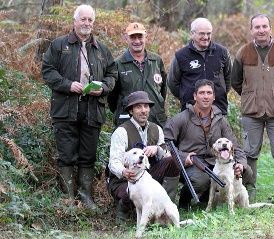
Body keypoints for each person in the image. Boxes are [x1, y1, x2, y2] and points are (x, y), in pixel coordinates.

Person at [42, 4, 117, 209]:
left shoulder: (101, 49)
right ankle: (67, 200)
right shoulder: (59, 45)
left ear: (93, 23)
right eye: (82, 19)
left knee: (88, 155)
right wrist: (68, 85)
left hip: (93, 110)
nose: (86, 23)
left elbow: (113, 74)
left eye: (90, 20)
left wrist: (102, 88)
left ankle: (86, 197)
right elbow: (47, 70)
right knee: (66, 154)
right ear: (74, 21)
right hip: (65, 109)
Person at [231, 14, 274, 203]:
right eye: (257, 27)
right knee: (250, 152)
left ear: (270, 28)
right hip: (251, 112)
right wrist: (251, 96)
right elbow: (236, 81)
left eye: (264, 26)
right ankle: (249, 191)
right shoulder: (243, 53)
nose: (261, 30)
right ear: (251, 30)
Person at [164, 79, 252, 209]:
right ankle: (185, 198)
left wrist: (241, 164)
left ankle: (208, 198)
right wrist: (183, 157)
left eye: (209, 93)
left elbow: (235, 145)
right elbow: (166, 143)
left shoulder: (220, 120)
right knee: (202, 181)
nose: (206, 96)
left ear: (214, 96)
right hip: (191, 164)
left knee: (247, 172)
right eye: (202, 93)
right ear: (195, 96)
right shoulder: (181, 118)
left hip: (215, 162)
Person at [107, 91, 179, 222]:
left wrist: (157, 149)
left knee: (173, 162)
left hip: (147, 176)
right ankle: (123, 212)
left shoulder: (157, 129)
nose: (143, 110)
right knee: (128, 193)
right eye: (138, 107)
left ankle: (164, 209)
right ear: (130, 111)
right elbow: (113, 162)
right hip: (124, 179)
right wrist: (124, 172)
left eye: (146, 106)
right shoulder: (121, 131)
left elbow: (166, 154)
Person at [107, 22, 167, 128]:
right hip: (128, 120)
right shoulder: (118, 63)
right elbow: (112, 96)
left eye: (140, 37)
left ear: (146, 37)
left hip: (155, 119)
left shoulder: (156, 60)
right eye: (132, 37)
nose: (137, 41)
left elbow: (163, 90)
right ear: (126, 38)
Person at [167, 17, 232, 115]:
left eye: (208, 33)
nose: (206, 37)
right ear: (192, 34)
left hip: (217, 109)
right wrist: (186, 95)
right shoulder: (181, 56)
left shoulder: (222, 52)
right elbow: (172, 83)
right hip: (190, 111)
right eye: (202, 33)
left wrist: (218, 93)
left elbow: (229, 78)